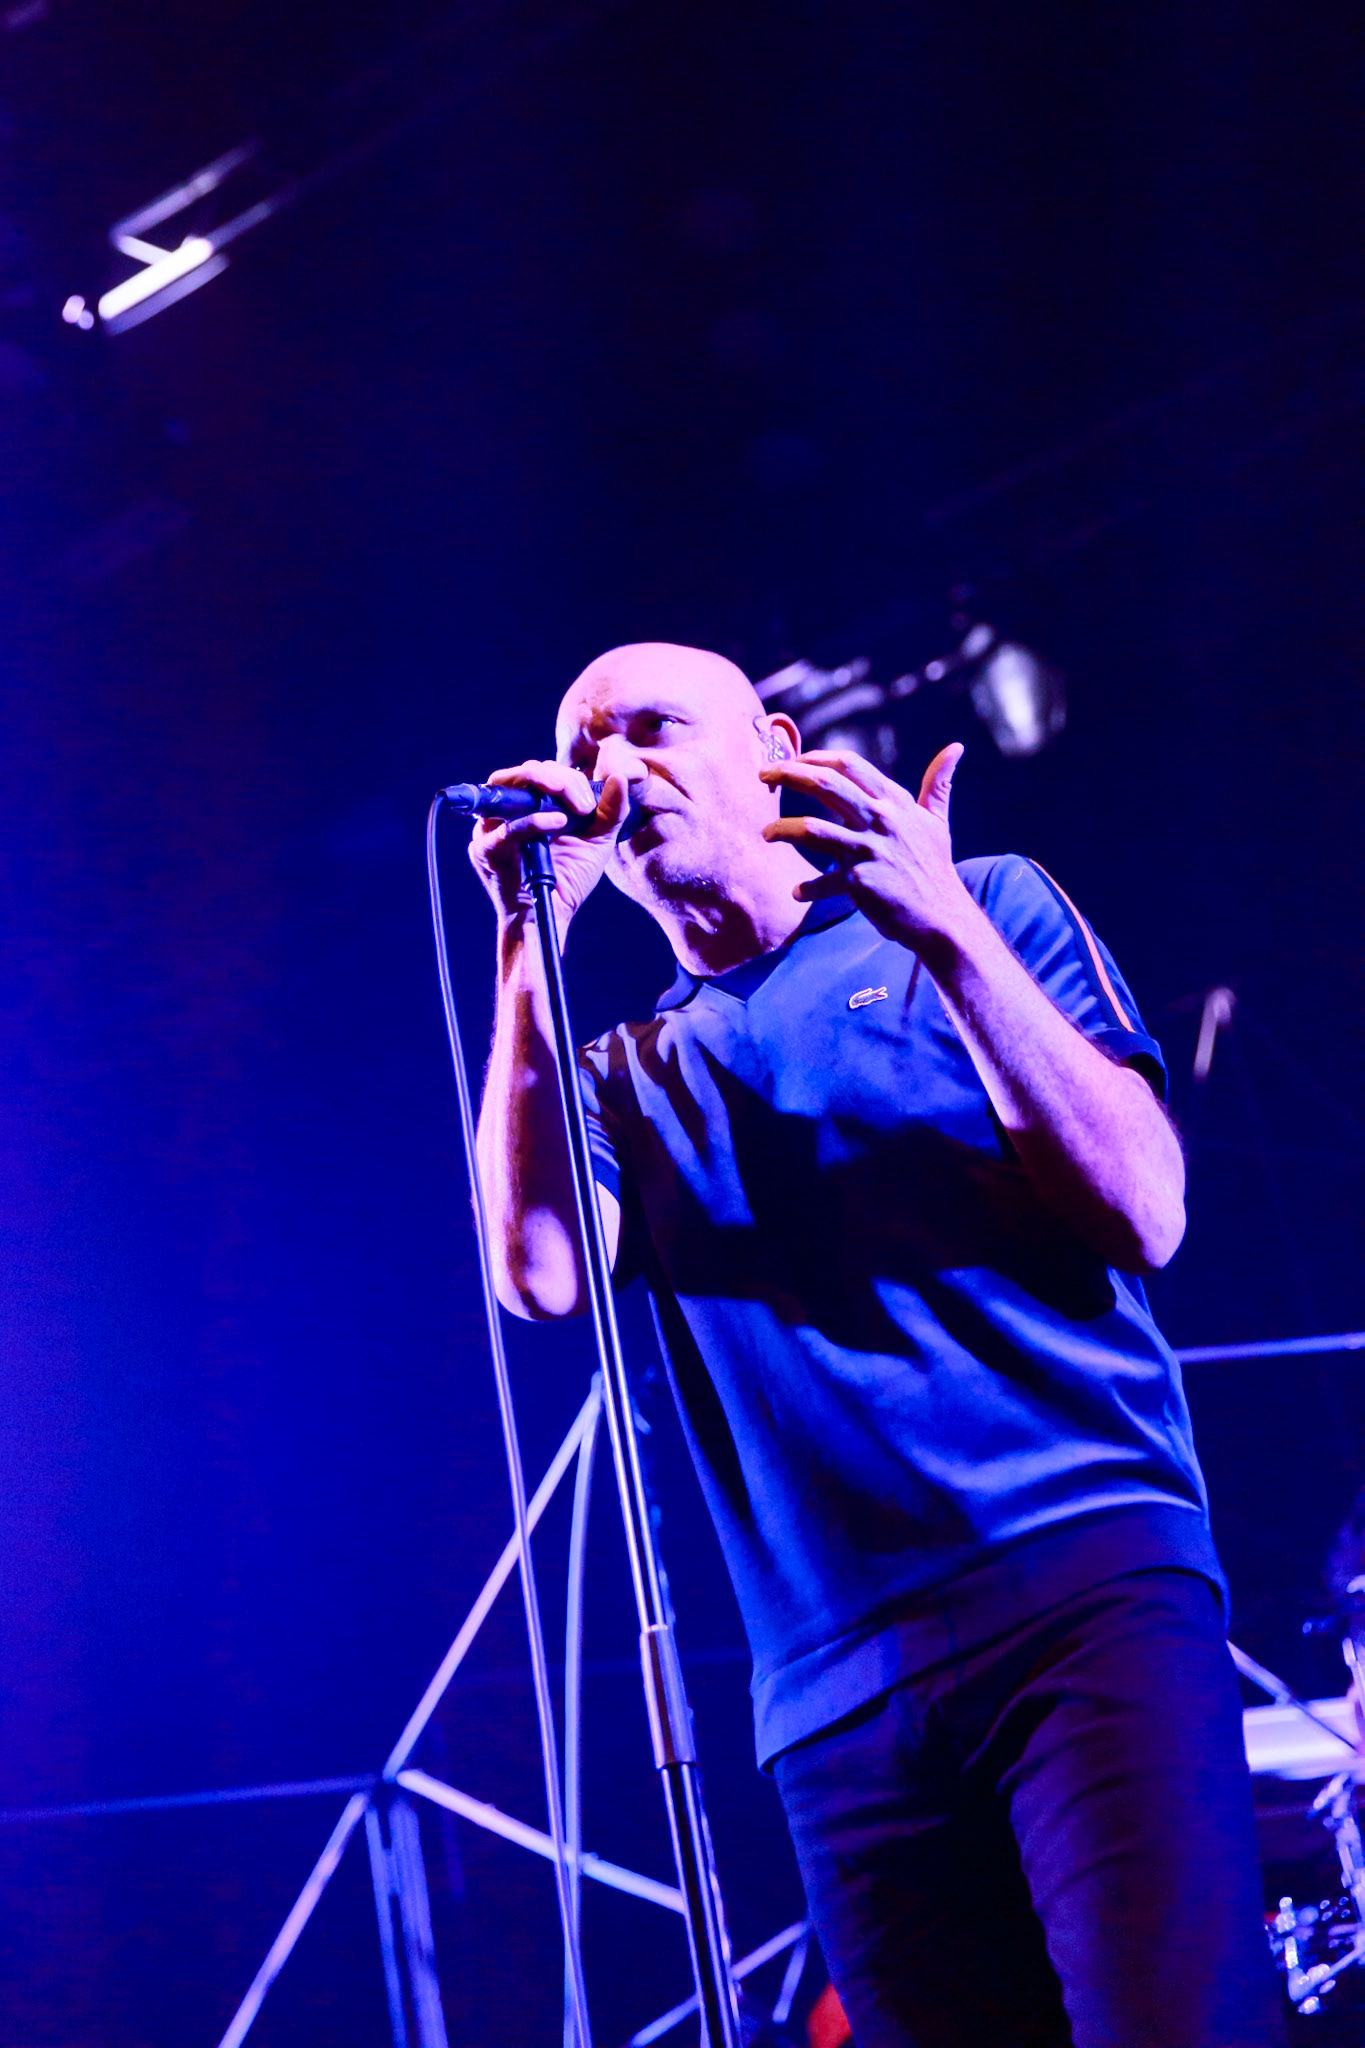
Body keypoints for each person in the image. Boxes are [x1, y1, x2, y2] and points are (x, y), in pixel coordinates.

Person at [471, 641, 1282, 2048]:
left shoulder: (982, 907)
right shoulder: (618, 1070)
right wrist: (526, 954)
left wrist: (943, 932)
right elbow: (540, 1278)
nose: (615, 770)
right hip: (834, 1693)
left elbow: (1145, 1210)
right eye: (586, 748)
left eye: (651, 728)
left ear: (773, 746)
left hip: (1076, 1592)